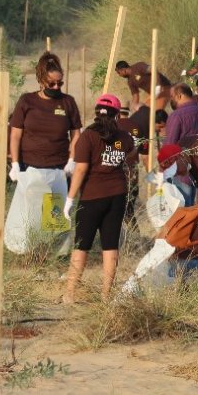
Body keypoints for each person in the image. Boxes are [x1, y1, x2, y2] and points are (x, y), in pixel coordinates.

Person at [62, 94, 135, 303]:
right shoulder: (124, 137)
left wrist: (70, 198)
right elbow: (131, 156)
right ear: (117, 114)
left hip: (92, 197)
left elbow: (81, 169)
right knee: (110, 245)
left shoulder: (88, 136)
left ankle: (69, 294)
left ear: (96, 112)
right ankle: (106, 296)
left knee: (81, 244)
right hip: (117, 196)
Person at [8, 53, 82, 240]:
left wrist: (72, 160)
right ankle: (29, 253)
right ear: (41, 81)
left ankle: (53, 253)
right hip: (29, 167)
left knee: (54, 218)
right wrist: (15, 164)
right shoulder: (27, 101)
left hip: (58, 168)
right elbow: (15, 134)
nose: (56, 87)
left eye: (60, 83)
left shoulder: (67, 102)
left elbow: (76, 134)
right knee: (30, 213)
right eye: (52, 84)